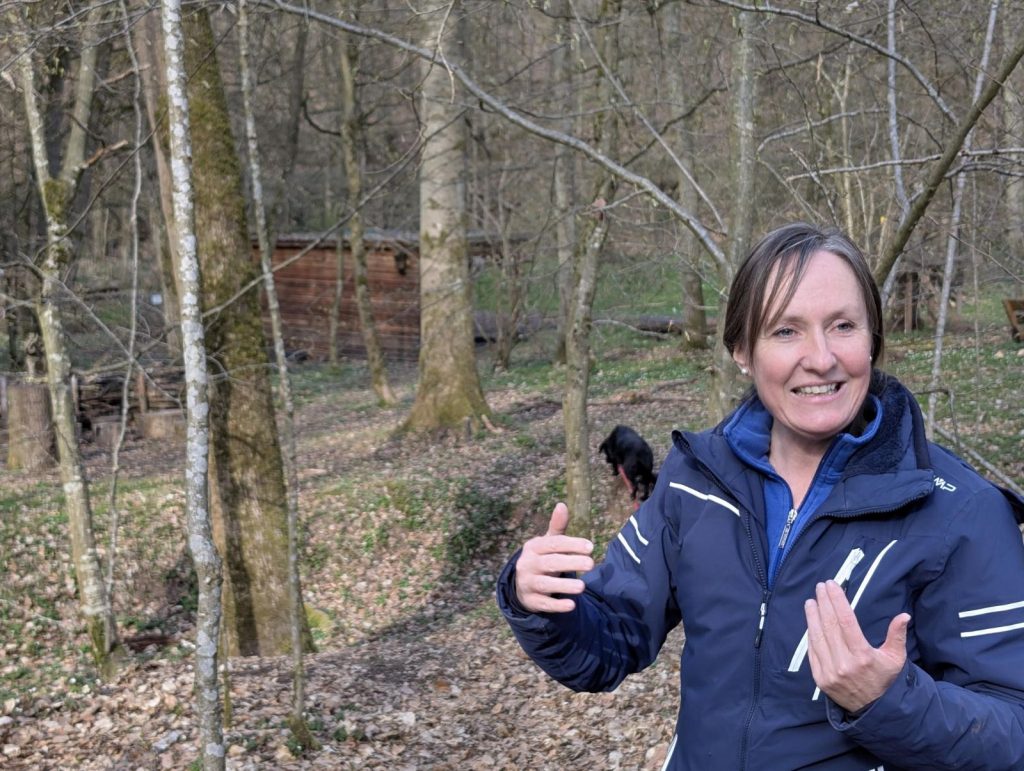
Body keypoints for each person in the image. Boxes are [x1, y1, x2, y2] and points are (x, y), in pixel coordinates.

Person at [496, 222, 1024, 770]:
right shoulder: (697, 479)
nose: (820, 358)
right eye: (786, 331)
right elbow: (610, 641)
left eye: (842, 325)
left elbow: (1014, 729)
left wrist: (890, 702)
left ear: (872, 340)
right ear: (741, 351)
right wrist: (543, 600)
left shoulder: (959, 510)